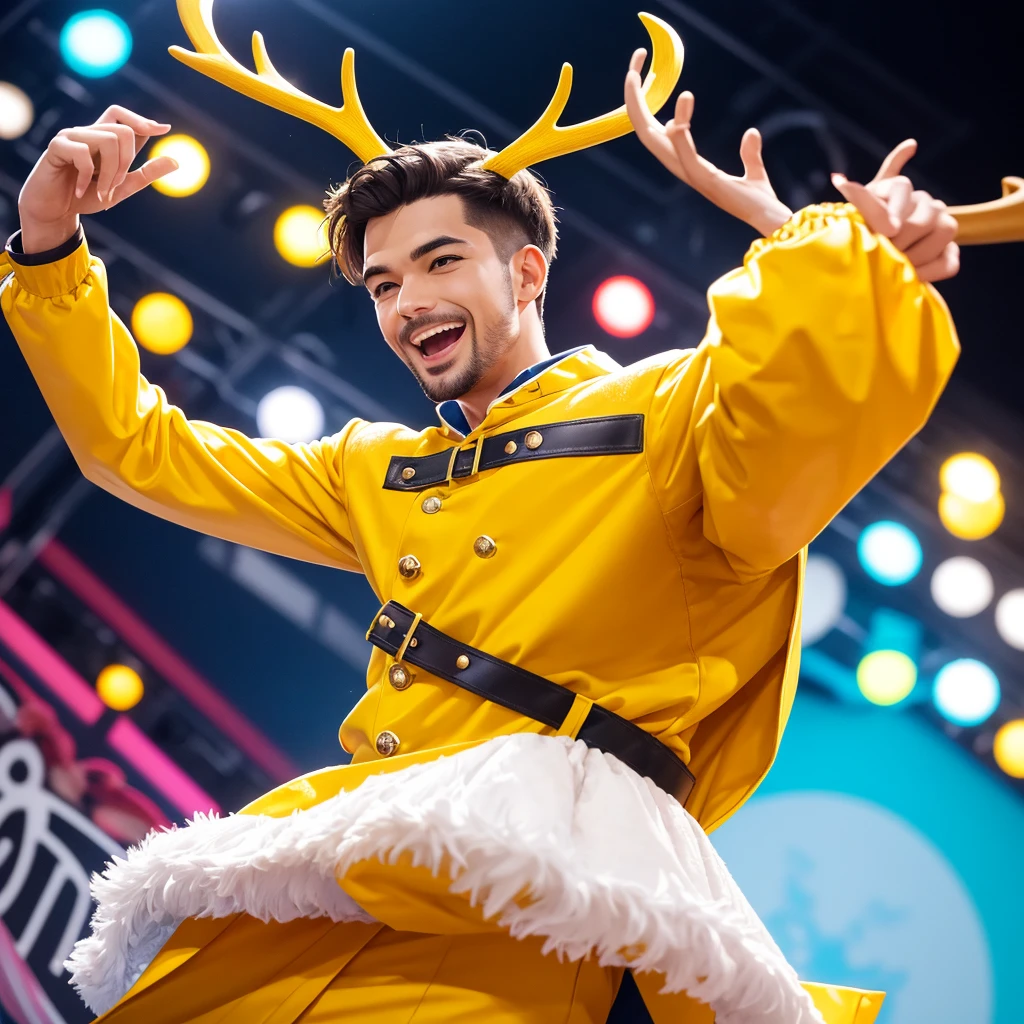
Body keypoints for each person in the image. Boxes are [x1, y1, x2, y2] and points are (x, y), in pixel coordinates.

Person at [0, 3, 981, 1022]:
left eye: (437, 262)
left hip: (527, 902)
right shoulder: (375, 469)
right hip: (340, 874)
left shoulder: (666, 413)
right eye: (382, 282)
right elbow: (135, 451)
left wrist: (827, 248)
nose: (404, 301)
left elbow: (807, 406)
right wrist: (47, 246)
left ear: (525, 270)